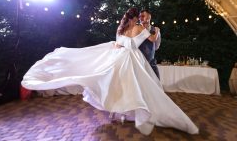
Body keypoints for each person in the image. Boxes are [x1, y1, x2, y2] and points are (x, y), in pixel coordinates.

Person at [21, 8, 199, 135]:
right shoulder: (140, 28)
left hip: (119, 59)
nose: (139, 19)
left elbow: (117, 44)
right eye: (138, 17)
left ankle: (123, 113)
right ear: (135, 17)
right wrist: (157, 30)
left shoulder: (120, 29)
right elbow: (153, 40)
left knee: (120, 87)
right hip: (133, 61)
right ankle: (139, 112)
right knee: (141, 88)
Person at [139, 9, 161, 79]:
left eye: (143, 16)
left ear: (149, 17)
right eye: (140, 16)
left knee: (157, 81)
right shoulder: (136, 29)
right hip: (138, 62)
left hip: (151, 62)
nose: (141, 18)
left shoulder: (155, 30)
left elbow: (157, 46)